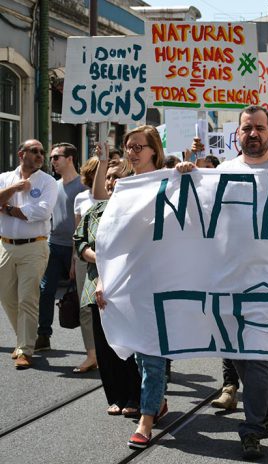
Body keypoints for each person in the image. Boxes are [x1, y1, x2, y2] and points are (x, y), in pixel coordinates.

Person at [181, 105, 268, 460]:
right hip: (229, 280)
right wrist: (186, 177)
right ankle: (267, 405)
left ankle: (252, 428)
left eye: (259, 128)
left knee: (257, 356)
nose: (253, 134)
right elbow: (198, 214)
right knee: (236, 350)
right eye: (246, 128)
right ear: (236, 135)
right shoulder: (222, 172)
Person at [94, 126, 169, 450]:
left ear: (154, 149)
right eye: (128, 147)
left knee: (152, 355)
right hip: (129, 283)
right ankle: (158, 401)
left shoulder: (170, 183)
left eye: (139, 146)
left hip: (162, 281)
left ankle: (146, 420)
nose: (132, 152)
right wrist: (102, 277)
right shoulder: (123, 188)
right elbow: (109, 238)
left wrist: (190, 167)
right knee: (139, 353)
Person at [74, 157, 141, 416]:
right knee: (104, 346)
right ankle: (117, 396)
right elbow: (79, 241)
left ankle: (136, 396)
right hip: (95, 287)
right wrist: (97, 256)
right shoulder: (95, 210)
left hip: (127, 289)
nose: (112, 181)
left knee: (128, 344)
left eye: (118, 176)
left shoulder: (137, 210)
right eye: (109, 177)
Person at [0, 140, 58, 369]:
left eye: (42, 152)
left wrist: (10, 210)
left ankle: (25, 349)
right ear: (21, 154)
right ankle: (24, 338)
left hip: (35, 246)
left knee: (27, 297)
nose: (40, 155)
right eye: (34, 151)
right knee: (6, 296)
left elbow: (41, 212)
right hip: (5, 245)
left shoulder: (48, 182)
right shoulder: (5, 178)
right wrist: (14, 189)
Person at [36, 143, 87, 352]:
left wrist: (77, 255)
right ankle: (43, 335)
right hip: (54, 245)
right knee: (45, 290)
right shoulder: (53, 186)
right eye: (52, 158)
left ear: (70, 159)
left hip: (77, 249)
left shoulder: (84, 186)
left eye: (56, 157)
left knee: (84, 297)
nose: (53, 161)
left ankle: (94, 346)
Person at [72, 156, 100, 373]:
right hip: (84, 258)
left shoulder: (117, 194)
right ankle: (91, 354)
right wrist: (75, 261)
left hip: (109, 259)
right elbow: (77, 233)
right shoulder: (81, 198)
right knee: (86, 307)